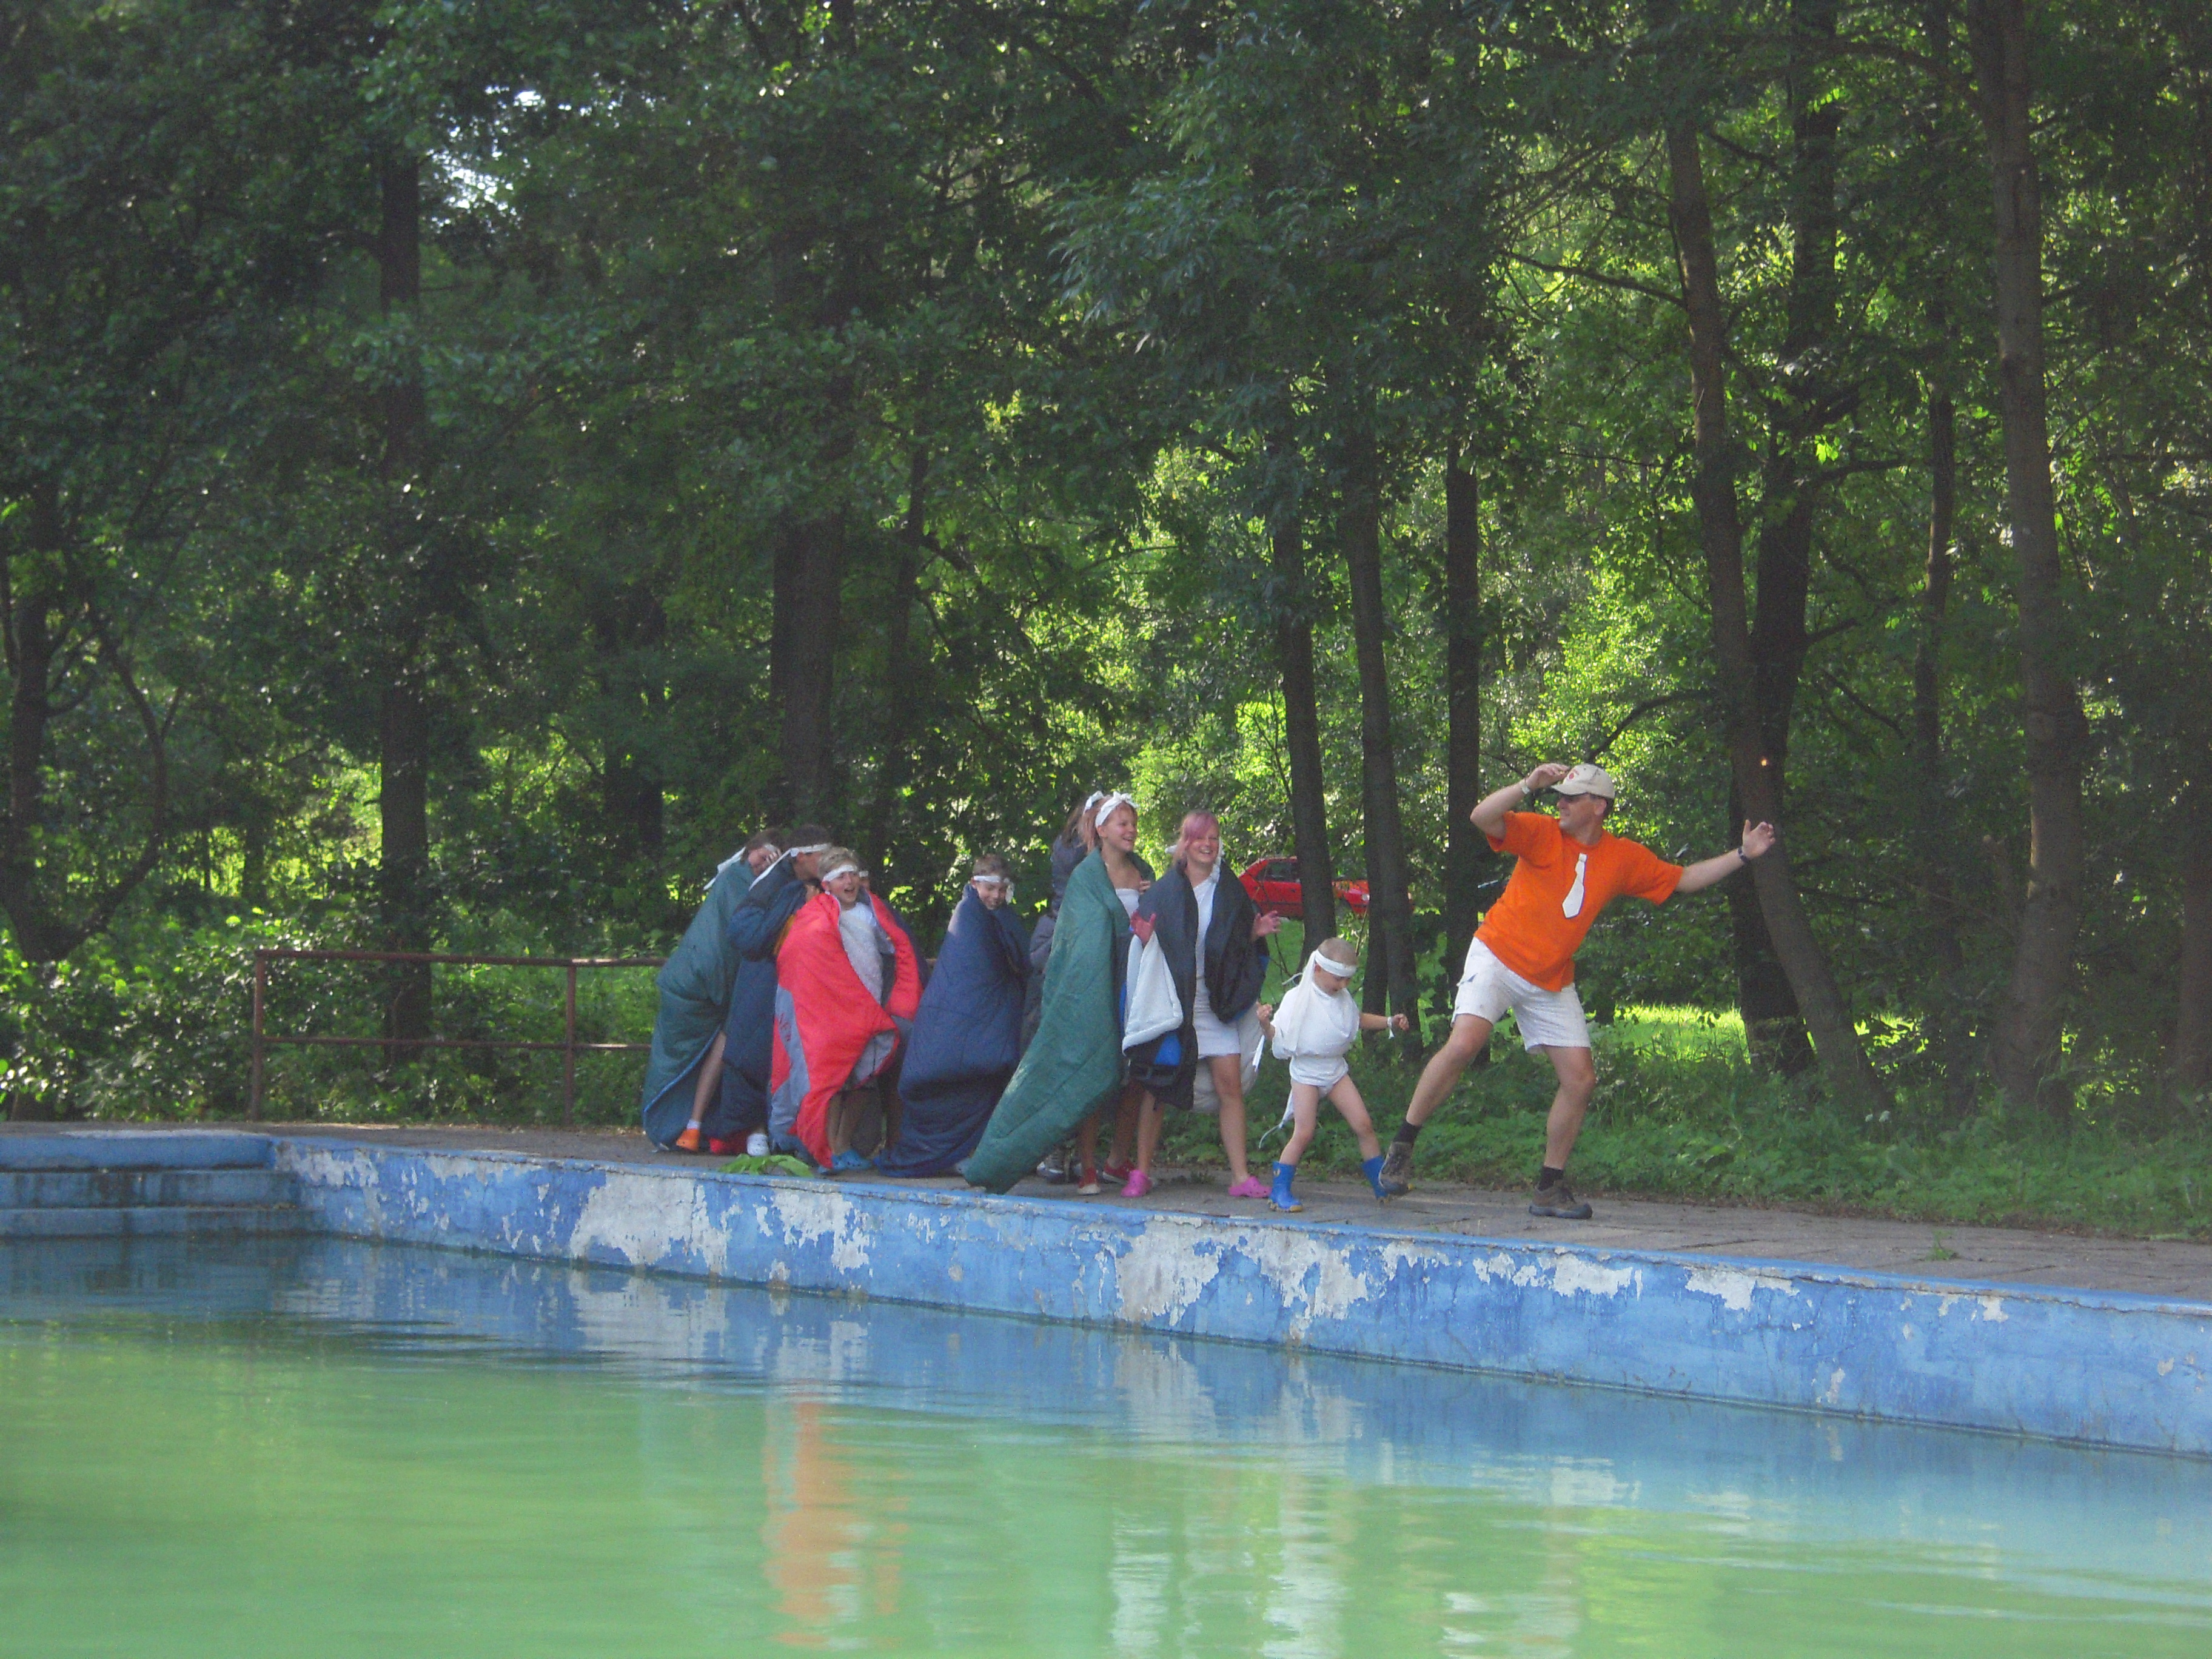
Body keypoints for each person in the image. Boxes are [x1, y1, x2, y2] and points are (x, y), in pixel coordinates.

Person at [1378, 762, 1775, 1219]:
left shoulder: (1622, 857)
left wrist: (1744, 854)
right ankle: (1403, 1146)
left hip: (1551, 977)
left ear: (1599, 806)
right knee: (1466, 1043)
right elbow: (1481, 817)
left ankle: (1549, 1187)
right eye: (1559, 797)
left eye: (1571, 797)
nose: (1561, 804)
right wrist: (1527, 785)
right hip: (1498, 955)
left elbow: (1683, 879)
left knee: (1581, 1080)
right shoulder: (1541, 832)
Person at [964, 792, 1150, 1195]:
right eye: (1123, 824)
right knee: (1090, 1069)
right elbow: (1078, 940)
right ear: (1102, 830)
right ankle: (1084, 1166)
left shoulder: (1143, 871)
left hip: (1134, 984)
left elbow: (1152, 921)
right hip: (1093, 987)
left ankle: (1117, 1159)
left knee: (1133, 1075)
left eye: (1134, 824)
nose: (1131, 830)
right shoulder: (1086, 876)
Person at [1124, 811, 1281, 1200]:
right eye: (1199, 838)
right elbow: (1148, 948)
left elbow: (1233, 944)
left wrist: (1254, 933)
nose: (1208, 845)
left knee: (1231, 1088)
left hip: (1214, 1002)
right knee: (1157, 1087)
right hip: (1173, 1003)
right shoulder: (1164, 891)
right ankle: (1141, 1173)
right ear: (1185, 843)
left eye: (1213, 837)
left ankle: (1240, 1176)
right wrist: (1145, 939)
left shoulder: (1229, 890)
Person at [679, 825, 833, 1153]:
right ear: (801, 856)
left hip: (796, 983)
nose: (827, 862)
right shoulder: (772, 884)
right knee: (751, 1053)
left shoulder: (821, 885)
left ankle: (788, 1130)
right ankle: (752, 1130)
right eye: (822, 855)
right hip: (762, 978)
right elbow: (747, 935)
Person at [876, 854, 1030, 1177]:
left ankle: (974, 1150)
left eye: (1002, 890)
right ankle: (954, 1152)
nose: (996, 896)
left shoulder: (1001, 918)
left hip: (990, 1022)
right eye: (990, 888)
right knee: (959, 1074)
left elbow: (1020, 960)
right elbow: (966, 974)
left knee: (987, 1078)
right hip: (960, 1026)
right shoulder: (968, 917)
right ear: (974, 884)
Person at [768, 846, 922, 1170]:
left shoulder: (872, 912)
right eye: (841, 877)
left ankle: (842, 1143)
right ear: (826, 884)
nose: (849, 881)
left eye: (853, 874)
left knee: (865, 1079)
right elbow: (798, 957)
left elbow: (893, 945)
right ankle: (829, 1149)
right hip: (833, 1011)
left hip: (869, 1008)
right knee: (833, 1080)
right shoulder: (816, 915)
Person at [641, 828, 784, 1150]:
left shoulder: (745, 881)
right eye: (762, 855)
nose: (763, 863)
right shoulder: (738, 880)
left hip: (712, 987)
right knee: (699, 1055)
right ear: (751, 851)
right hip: (705, 988)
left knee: (718, 1049)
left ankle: (697, 1127)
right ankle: (676, 1127)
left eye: (771, 858)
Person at [1254, 937, 1404, 1212]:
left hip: (1335, 1071)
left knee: (1364, 1125)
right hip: (1306, 1074)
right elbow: (1278, 1034)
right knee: (1304, 1132)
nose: (1343, 986)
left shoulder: (1343, 999)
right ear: (1318, 970)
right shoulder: (1296, 999)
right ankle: (1279, 1190)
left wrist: (1389, 1022)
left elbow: (1358, 1019)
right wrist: (1265, 1024)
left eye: (1348, 980)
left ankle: (1380, 1182)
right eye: (1338, 979)